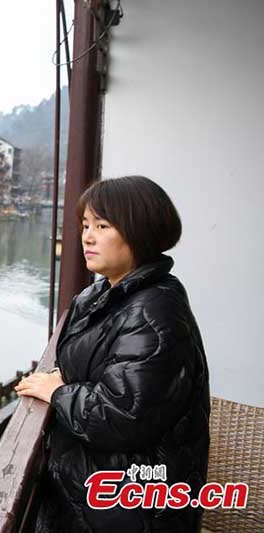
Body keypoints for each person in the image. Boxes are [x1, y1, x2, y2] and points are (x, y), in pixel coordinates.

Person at [15, 176, 209, 533]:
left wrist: (57, 391)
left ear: (140, 230)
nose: (87, 236)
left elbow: (122, 415)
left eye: (102, 226)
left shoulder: (153, 312)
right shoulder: (106, 293)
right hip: (92, 487)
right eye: (85, 225)